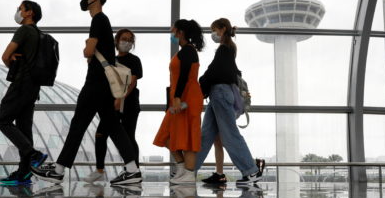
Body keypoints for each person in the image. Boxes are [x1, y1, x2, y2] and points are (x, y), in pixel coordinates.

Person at [31, 0, 142, 185]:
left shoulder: (99, 20)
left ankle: (58, 170)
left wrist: (86, 50)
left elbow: (89, 52)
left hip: (95, 84)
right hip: (103, 86)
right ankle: (133, 170)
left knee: (78, 125)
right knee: (113, 126)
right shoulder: (102, 21)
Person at [196, 18, 264, 185]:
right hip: (217, 94)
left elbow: (215, 72)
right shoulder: (228, 49)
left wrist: (201, 83)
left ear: (223, 29)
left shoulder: (225, 49)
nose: (213, 34)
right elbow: (230, 72)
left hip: (220, 93)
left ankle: (252, 170)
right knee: (205, 135)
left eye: (215, 30)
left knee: (229, 135)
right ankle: (189, 171)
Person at [0, 0, 48, 186]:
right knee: (24, 128)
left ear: (29, 13)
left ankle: (33, 154)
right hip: (34, 87)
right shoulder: (39, 35)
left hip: (21, 83)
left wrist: (11, 62)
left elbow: (4, 56)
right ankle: (24, 173)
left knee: (2, 120)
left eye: (20, 8)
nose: (18, 11)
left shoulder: (24, 30)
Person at [84, 29, 143, 183]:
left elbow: (132, 81)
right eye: (124, 39)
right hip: (111, 104)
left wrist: (121, 98)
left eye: (130, 40)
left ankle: (133, 171)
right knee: (100, 134)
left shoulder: (134, 60)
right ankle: (99, 170)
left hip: (129, 103)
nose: (127, 42)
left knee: (129, 136)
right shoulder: (111, 60)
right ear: (116, 41)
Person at [153, 19, 205, 185]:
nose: (171, 33)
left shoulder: (188, 51)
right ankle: (182, 167)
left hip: (187, 98)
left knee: (189, 137)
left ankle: (189, 174)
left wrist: (177, 98)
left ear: (180, 32)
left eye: (173, 30)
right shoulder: (184, 51)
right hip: (180, 98)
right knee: (166, 135)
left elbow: (184, 76)